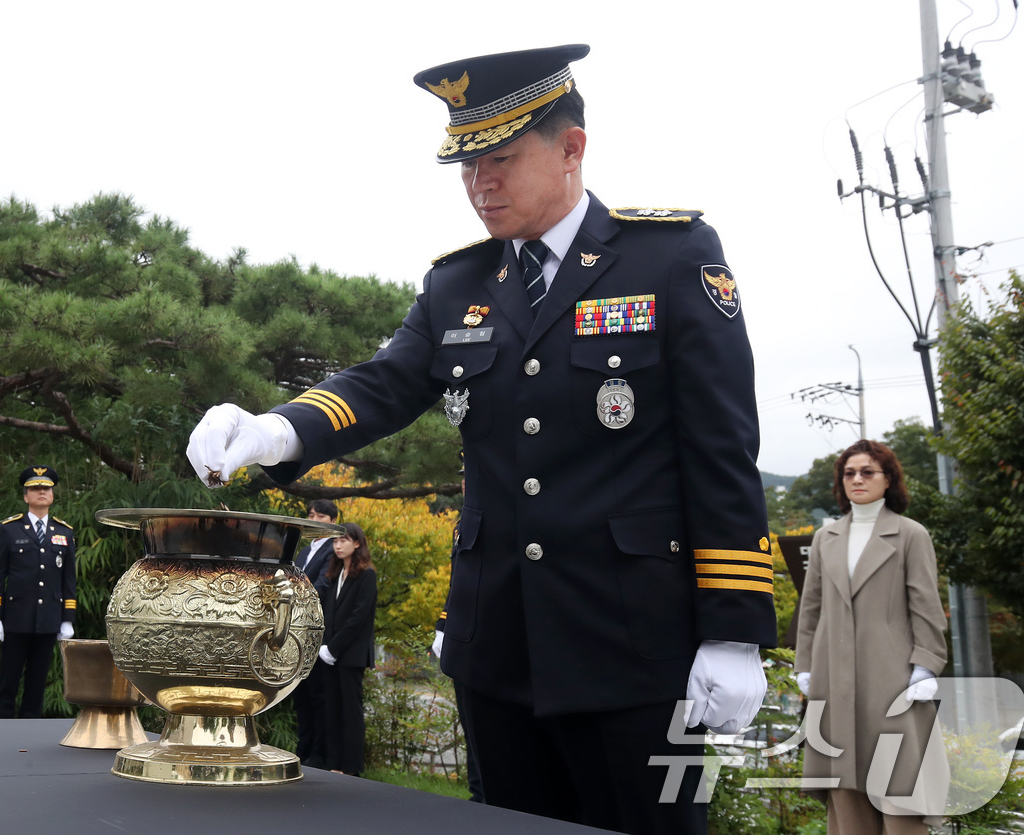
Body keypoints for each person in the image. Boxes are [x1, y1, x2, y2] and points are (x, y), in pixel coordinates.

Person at [186, 44, 774, 832]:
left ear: (572, 148)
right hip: (498, 646)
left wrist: (734, 628)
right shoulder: (459, 283)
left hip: (635, 648)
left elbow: (721, 449)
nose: (479, 184)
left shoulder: (668, 258)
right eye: (466, 166)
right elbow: (385, 383)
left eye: (500, 158)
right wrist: (273, 428)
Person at [795, 440, 948, 834]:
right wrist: (805, 667)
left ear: (888, 479)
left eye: (867, 472)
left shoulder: (911, 535)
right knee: (845, 791)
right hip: (834, 680)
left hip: (892, 679)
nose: (857, 479)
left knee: (901, 789)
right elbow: (810, 610)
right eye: (849, 473)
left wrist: (926, 666)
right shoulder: (825, 539)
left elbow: (926, 607)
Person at [0, 466, 77, 718]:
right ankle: (1, 724)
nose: (41, 492)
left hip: (48, 618)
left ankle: (29, 727)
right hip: (15, 616)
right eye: (35, 489)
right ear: (26, 496)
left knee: (37, 681)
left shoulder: (64, 532)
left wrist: (67, 618)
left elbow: (69, 579)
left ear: (52, 495)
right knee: (9, 678)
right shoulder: (9, 529)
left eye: (45, 488)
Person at [315, 522, 378, 776]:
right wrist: (325, 645)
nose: (338, 545)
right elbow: (330, 613)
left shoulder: (367, 574)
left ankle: (352, 767)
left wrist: (335, 647)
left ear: (357, 544)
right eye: (335, 541)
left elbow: (358, 617)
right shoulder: (335, 573)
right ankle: (335, 763)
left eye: (343, 541)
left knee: (351, 711)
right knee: (332, 708)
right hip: (330, 653)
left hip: (351, 654)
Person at [291, 498, 338, 766]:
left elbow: (321, 585)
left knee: (319, 696)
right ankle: (303, 749)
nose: (315, 519)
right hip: (299, 631)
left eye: (321, 516)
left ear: (332, 521)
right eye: (311, 514)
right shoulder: (304, 551)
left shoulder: (332, 549)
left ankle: (319, 753)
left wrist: (296, 598)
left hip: (320, 630)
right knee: (302, 695)